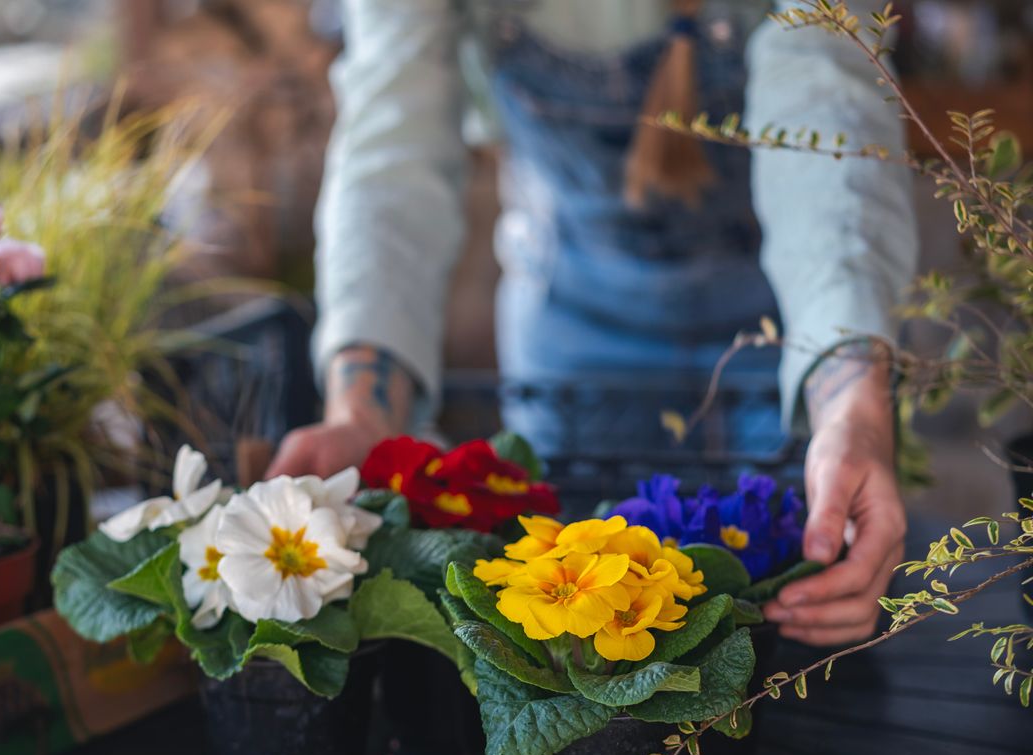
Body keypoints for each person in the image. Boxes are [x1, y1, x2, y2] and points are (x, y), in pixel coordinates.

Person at [267, 0, 917, 647]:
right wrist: (362, 413)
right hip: (570, 339)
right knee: (563, 654)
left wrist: (850, 410)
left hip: (787, 345)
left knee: (792, 653)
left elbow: (827, 116)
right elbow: (392, 146)